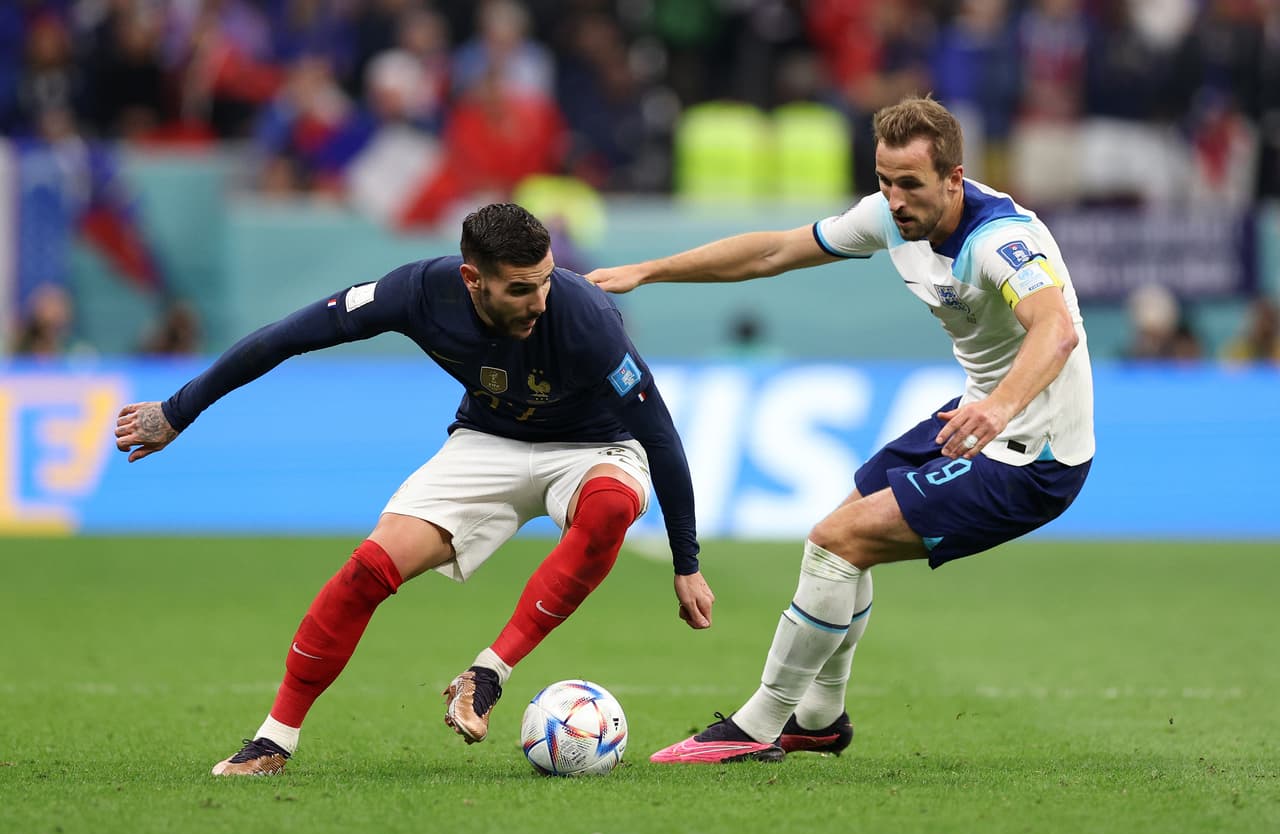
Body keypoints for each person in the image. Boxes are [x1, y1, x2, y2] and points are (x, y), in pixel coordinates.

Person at [114, 202, 712, 775]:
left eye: (546, 281)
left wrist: (686, 562)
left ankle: (488, 674)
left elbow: (659, 436)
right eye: (519, 289)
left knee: (609, 507)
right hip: (488, 441)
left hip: (595, 447)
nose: (539, 301)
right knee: (367, 570)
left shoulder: (587, 317)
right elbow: (285, 337)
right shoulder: (418, 292)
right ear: (473, 280)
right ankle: (273, 739)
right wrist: (178, 410)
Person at [587, 95, 1094, 763]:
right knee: (840, 531)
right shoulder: (889, 216)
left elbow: (1056, 330)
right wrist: (651, 271)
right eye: (884, 180)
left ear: (954, 178)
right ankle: (821, 718)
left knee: (836, 542)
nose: (894, 199)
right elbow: (773, 251)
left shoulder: (999, 241)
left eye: (910, 183)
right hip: (976, 414)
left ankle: (758, 724)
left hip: (1034, 455)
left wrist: (999, 407)